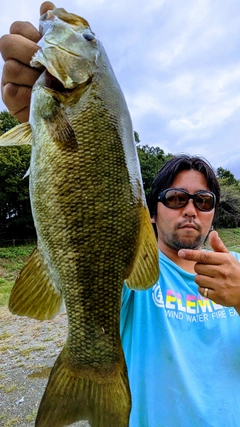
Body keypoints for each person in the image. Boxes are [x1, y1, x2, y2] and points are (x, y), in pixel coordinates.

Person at [1, 3, 240, 427]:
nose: (189, 209)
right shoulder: (134, 280)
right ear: (149, 212)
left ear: (214, 213)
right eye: (174, 197)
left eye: (202, 201)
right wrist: (41, 120)